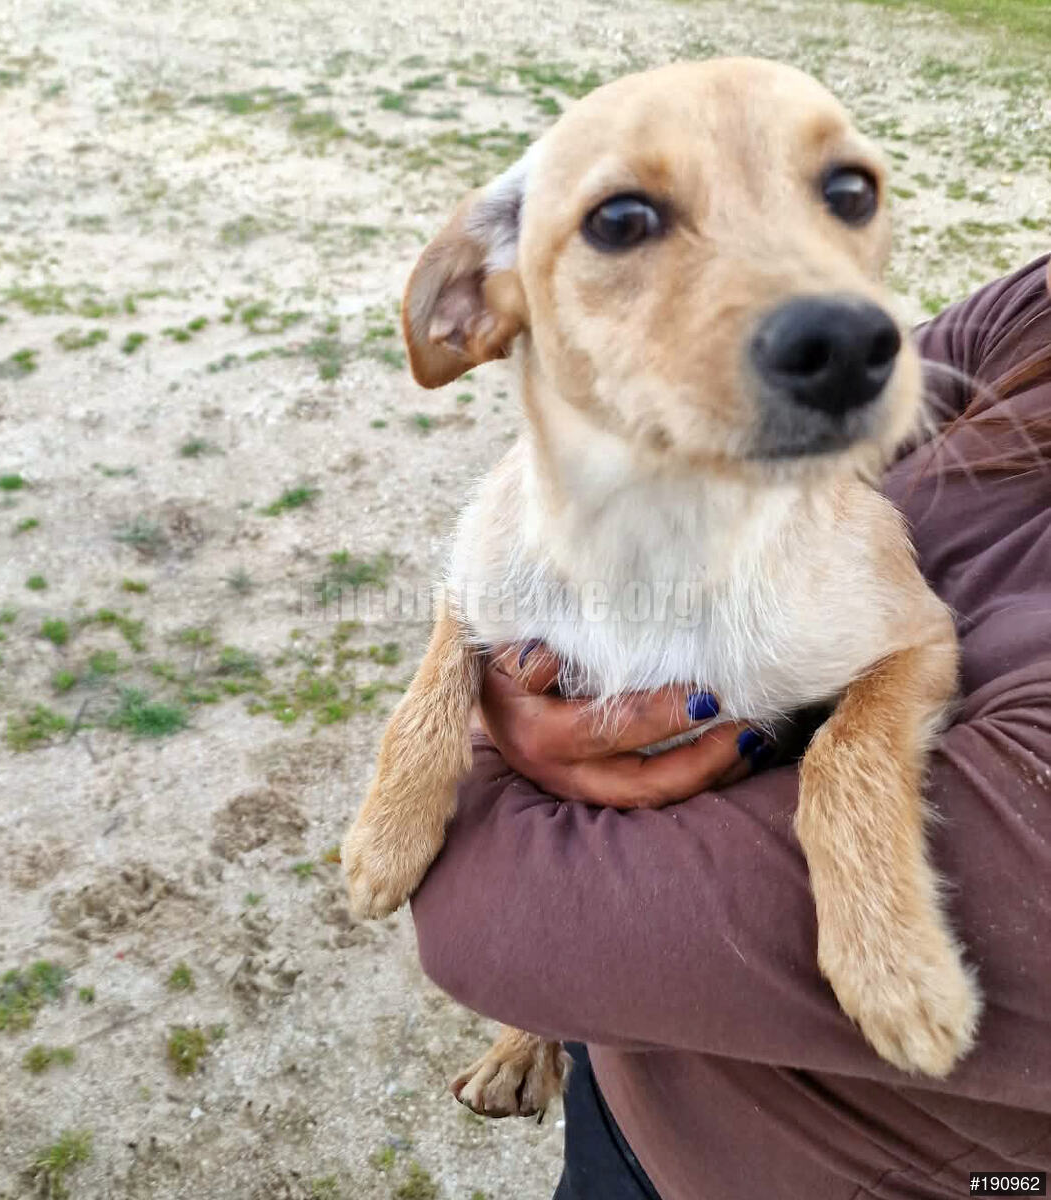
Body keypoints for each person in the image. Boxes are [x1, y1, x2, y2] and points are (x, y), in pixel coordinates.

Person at [411, 255, 1051, 1200]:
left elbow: (491, 917)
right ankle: (546, 1034)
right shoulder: (1039, 308)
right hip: (620, 1067)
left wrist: (498, 741)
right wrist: (515, 688)